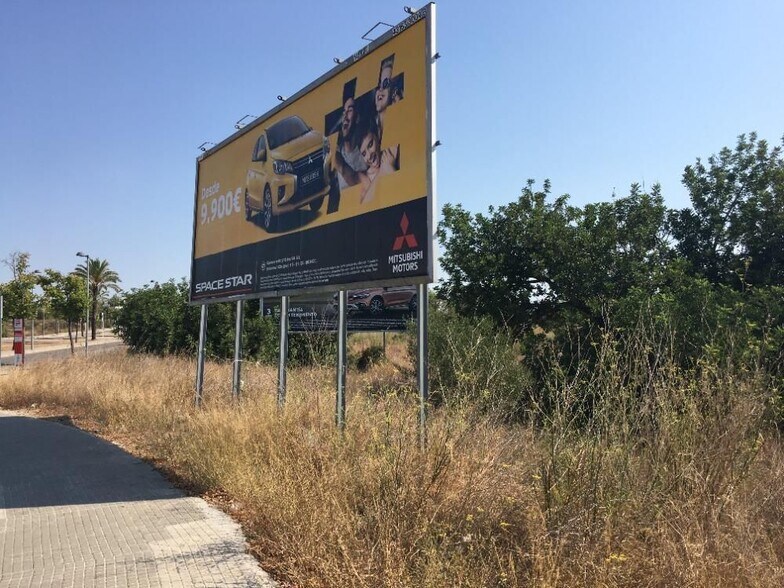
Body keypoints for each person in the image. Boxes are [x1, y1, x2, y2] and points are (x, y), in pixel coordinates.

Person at [358, 122, 399, 204]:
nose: (369, 156)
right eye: (364, 154)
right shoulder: (364, 179)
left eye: (370, 145)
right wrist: (388, 168)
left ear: (378, 136)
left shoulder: (390, 151)